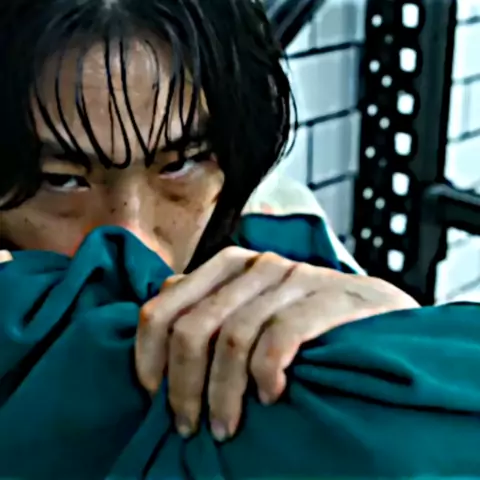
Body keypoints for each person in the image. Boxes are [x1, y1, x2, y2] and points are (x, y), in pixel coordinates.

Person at [0, 0, 418, 444]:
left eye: (180, 164)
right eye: (61, 180)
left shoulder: (287, 244)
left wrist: (402, 345)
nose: (135, 242)